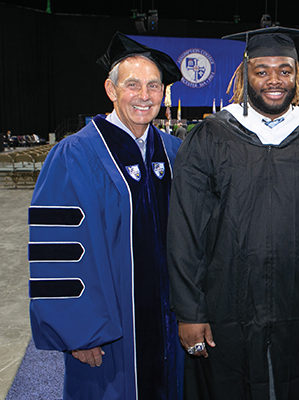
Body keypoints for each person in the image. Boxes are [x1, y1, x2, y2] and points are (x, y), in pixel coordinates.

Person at [167, 26, 299, 400]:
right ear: (244, 73)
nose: (274, 80)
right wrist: (190, 312)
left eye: (284, 70)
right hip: (226, 307)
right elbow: (185, 230)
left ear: (297, 75)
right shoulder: (211, 136)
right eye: (262, 70)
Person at [28, 32, 184, 399]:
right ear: (111, 90)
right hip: (108, 332)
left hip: (169, 325)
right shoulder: (74, 154)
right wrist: (79, 333)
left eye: (153, 86)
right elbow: (58, 251)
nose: (144, 96)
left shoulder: (175, 151)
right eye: (132, 85)